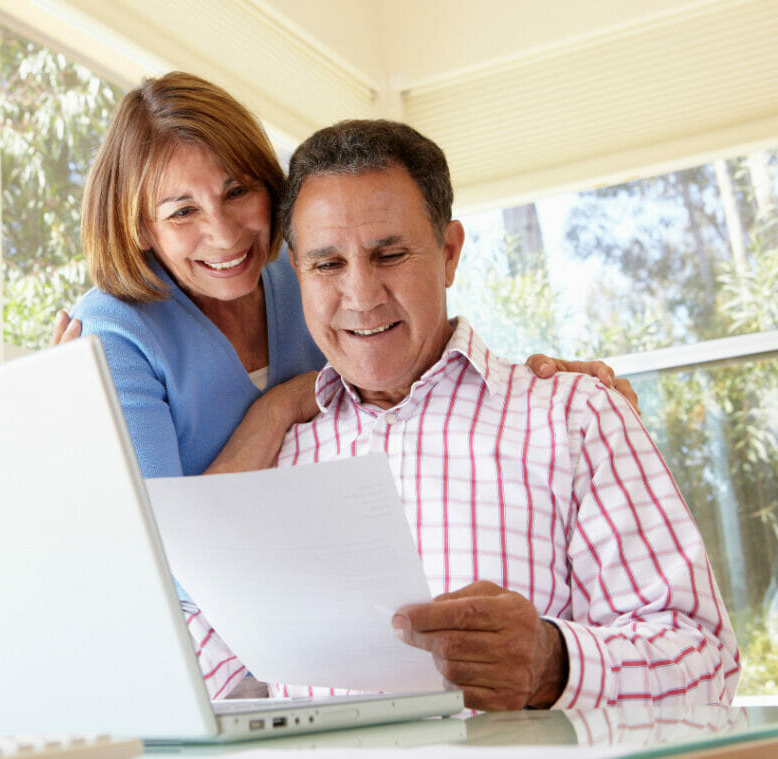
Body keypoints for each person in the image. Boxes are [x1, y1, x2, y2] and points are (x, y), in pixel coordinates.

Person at [55, 72, 641, 698]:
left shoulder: (302, 266)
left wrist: (548, 389)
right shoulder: (115, 332)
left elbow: (414, 346)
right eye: (182, 212)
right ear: (140, 226)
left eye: (237, 191)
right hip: (203, 638)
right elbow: (165, 570)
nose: (225, 235)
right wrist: (279, 407)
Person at [248, 119, 738, 710]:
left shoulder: (577, 417)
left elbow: (706, 658)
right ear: (296, 270)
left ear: (449, 253)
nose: (361, 295)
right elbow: (206, 669)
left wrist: (554, 664)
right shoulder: (271, 459)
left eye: (391, 253)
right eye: (327, 265)